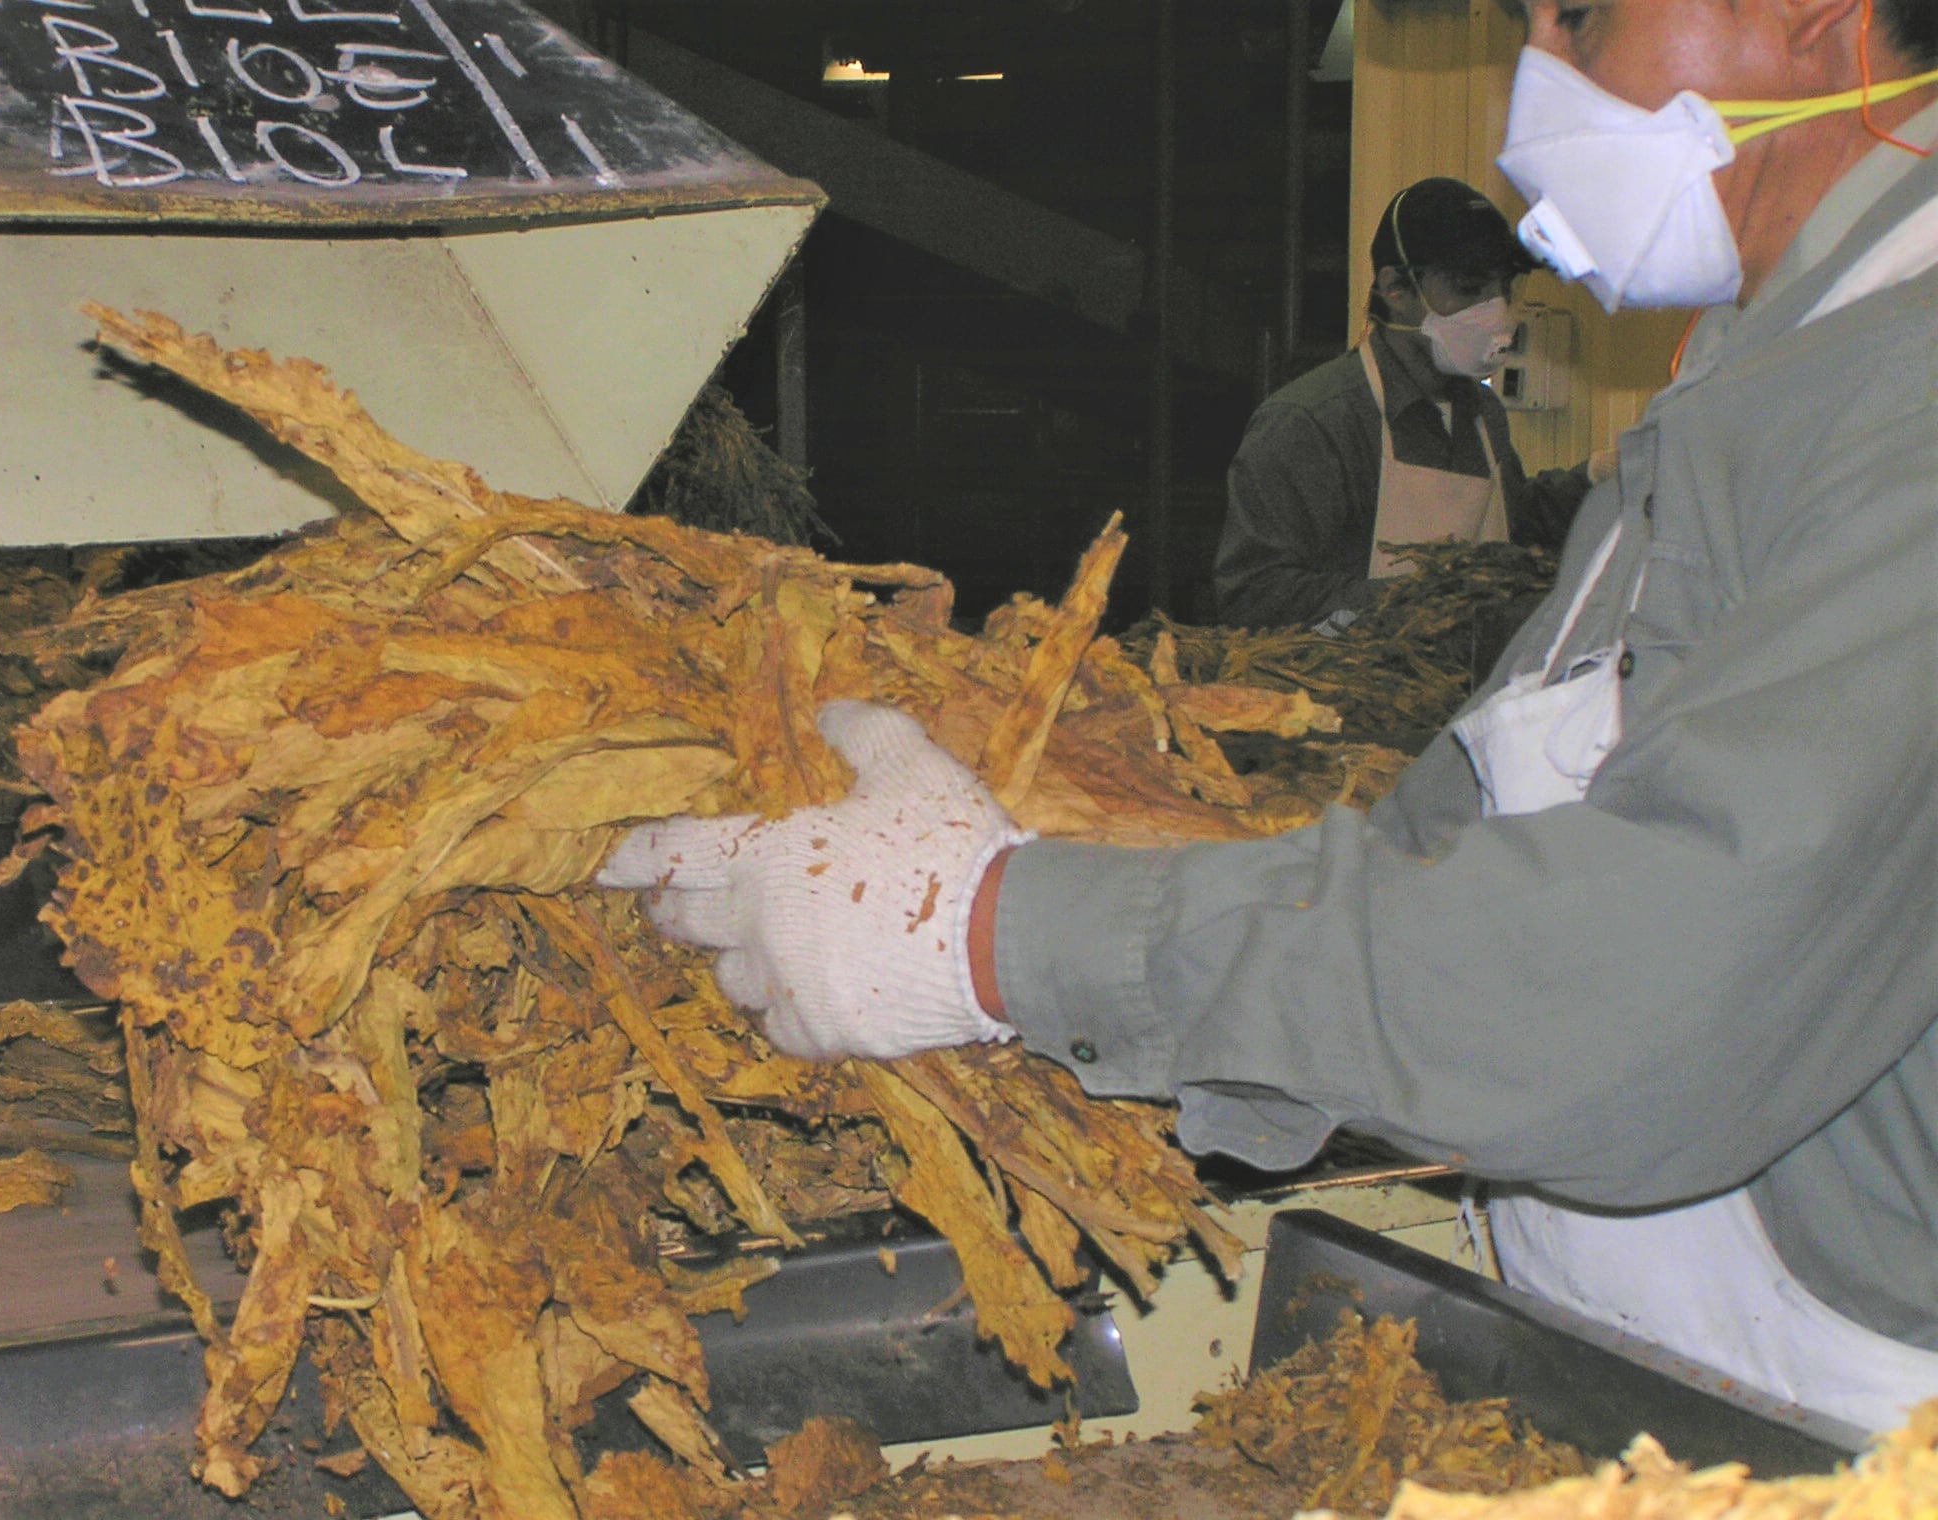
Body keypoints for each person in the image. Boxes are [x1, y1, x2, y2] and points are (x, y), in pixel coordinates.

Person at [601, 0, 1938, 1435]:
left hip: (1844, 1412)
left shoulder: (1905, 395)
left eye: (1583, 15)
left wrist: (988, 931)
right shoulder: (1764, 371)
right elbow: (1452, 848)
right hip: (1647, 1355)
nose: (1532, 84)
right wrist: (1072, 940)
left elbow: (1645, 995)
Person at [1214, 177, 1602, 631]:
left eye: (1504, 288)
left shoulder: (1481, 414)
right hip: (1346, 695)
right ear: (1396, 288)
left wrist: (1599, 480)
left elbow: (1509, 528)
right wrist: (1431, 601)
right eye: (1469, 287)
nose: (1496, 312)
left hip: (1460, 694)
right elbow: (1253, 597)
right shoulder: (1313, 424)